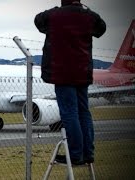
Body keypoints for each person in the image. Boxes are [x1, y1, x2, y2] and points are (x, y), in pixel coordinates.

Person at [34, 0, 106, 165]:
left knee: (69, 113)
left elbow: (38, 21)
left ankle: (75, 154)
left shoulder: (54, 15)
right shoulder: (88, 17)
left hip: (62, 73)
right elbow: (101, 29)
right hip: (82, 73)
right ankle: (87, 153)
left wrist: (57, 10)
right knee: (83, 112)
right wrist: (86, 11)